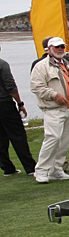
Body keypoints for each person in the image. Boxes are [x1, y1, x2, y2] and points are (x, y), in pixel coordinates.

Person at [29, 37, 69, 183]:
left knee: (65, 140)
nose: (60, 49)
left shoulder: (67, 64)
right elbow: (36, 87)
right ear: (49, 48)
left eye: (62, 47)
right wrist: (54, 95)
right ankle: (41, 170)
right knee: (52, 138)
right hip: (53, 108)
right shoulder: (41, 66)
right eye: (57, 47)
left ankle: (56, 169)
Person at [0, 43, 36, 177]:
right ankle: (30, 167)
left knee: (1, 138)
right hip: (4, 103)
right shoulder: (2, 64)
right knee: (18, 135)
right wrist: (20, 103)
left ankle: (7, 167)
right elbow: (10, 86)